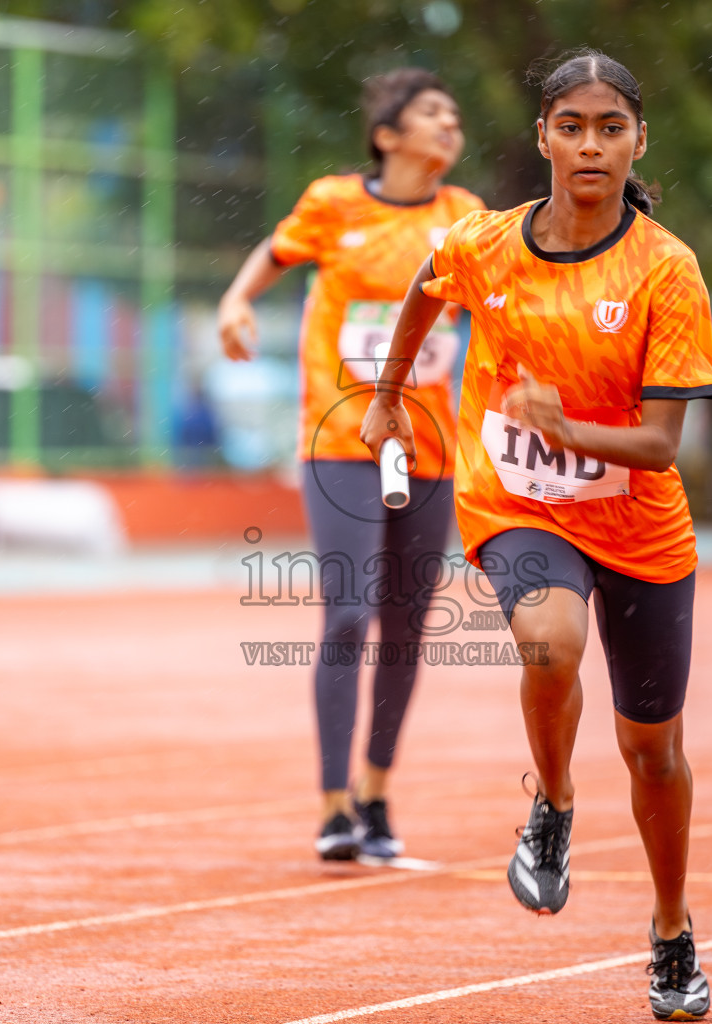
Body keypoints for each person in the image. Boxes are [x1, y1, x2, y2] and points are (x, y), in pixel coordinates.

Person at [361, 50, 712, 1020]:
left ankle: (672, 929)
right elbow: (427, 289)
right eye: (572, 126)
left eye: (611, 127)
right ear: (543, 140)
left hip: (640, 525)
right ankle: (554, 803)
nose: (591, 144)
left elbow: (657, 443)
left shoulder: (667, 270)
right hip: (517, 501)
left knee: (654, 751)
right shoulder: (486, 243)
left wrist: (569, 428)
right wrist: (389, 397)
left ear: (638, 140)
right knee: (548, 640)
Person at [217, 69, 483, 861]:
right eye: (433, 113)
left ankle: (375, 791)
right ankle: (333, 807)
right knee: (349, 611)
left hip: (431, 443)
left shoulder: (464, 217)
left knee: (406, 625)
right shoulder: (334, 204)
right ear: (387, 135)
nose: (449, 125)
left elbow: (501, 301)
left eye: (455, 115)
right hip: (342, 439)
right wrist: (236, 301)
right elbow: (273, 252)